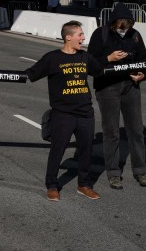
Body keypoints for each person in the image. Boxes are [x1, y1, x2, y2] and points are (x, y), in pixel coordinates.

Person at [25, 20, 106, 201]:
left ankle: (84, 185)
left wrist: (131, 71)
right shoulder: (52, 58)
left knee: (86, 150)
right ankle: (52, 185)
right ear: (68, 37)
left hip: (85, 113)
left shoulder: (85, 57)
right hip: (63, 114)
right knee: (58, 150)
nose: (83, 38)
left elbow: (102, 71)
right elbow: (30, 74)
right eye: (80, 35)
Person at [87, 3, 146, 190]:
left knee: (136, 129)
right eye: (120, 26)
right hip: (107, 88)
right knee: (111, 131)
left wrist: (143, 74)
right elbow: (89, 64)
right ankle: (114, 173)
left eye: (127, 26)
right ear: (113, 23)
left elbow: (144, 60)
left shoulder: (135, 35)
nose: (123, 29)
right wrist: (109, 58)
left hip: (131, 86)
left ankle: (141, 170)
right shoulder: (100, 34)